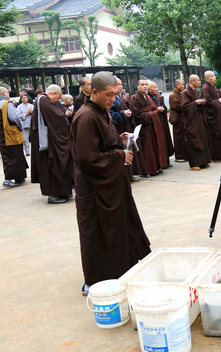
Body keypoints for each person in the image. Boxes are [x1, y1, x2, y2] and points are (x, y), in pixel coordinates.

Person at [71, 71, 151, 295]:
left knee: (117, 229)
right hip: (95, 188)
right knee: (97, 232)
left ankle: (119, 270)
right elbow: (88, 158)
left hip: (109, 184)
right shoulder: (87, 116)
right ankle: (95, 280)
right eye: (109, 95)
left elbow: (101, 144)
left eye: (116, 95)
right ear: (94, 92)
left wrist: (119, 140)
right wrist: (119, 156)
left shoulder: (99, 111)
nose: (113, 100)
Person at [33, 85, 74, 203]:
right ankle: (53, 194)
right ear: (53, 94)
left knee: (63, 164)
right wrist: (65, 115)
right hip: (49, 140)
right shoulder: (44, 100)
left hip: (55, 138)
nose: (60, 98)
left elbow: (60, 110)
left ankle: (63, 191)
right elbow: (57, 116)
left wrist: (65, 113)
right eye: (60, 95)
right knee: (51, 165)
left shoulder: (49, 101)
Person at [129, 79, 168, 177]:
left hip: (152, 125)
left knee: (154, 147)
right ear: (138, 86)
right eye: (142, 85)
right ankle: (147, 170)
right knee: (147, 149)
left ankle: (155, 167)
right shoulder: (134, 98)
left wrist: (150, 112)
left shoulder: (147, 97)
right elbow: (137, 114)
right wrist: (152, 113)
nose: (145, 86)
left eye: (146, 84)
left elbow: (155, 108)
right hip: (144, 127)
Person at [0, 87, 28, 188]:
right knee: (14, 155)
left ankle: (19, 176)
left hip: (2, 134)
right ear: (4, 93)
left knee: (8, 156)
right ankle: (9, 179)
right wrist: (20, 126)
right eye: (7, 92)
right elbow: (14, 118)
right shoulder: (6, 103)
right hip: (10, 134)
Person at [110, 78, 141, 181]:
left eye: (121, 84)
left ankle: (130, 174)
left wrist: (128, 113)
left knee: (128, 150)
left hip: (125, 126)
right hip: (118, 129)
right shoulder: (111, 99)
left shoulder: (119, 98)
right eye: (118, 84)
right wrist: (122, 114)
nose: (120, 87)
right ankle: (124, 175)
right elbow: (110, 116)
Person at [201, 71, 221, 162]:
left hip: (220, 114)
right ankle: (216, 156)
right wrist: (218, 101)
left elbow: (218, 99)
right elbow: (207, 102)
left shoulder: (214, 87)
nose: (215, 77)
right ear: (207, 79)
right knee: (216, 135)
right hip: (213, 116)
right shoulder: (205, 88)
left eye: (214, 76)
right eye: (212, 76)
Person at [181, 74, 211, 170]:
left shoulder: (194, 91)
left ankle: (203, 161)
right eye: (198, 80)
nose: (199, 82)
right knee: (194, 139)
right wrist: (195, 103)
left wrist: (201, 102)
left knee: (202, 138)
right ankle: (194, 163)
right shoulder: (185, 92)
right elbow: (184, 107)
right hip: (192, 120)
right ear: (192, 81)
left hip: (199, 118)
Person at [148, 80, 174, 166]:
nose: (156, 89)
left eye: (156, 87)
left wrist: (162, 108)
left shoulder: (157, 96)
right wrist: (157, 110)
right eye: (154, 87)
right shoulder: (148, 98)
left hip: (162, 120)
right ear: (149, 89)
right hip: (155, 121)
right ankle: (160, 162)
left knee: (164, 140)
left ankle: (166, 160)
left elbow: (164, 106)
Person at [169, 79, 188, 163]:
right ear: (177, 85)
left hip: (182, 118)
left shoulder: (180, 94)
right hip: (177, 118)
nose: (183, 87)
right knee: (178, 137)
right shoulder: (172, 95)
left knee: (183, 136)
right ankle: (179, 156)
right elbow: (177, 106)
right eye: (182, 85)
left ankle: (184, 154)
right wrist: (186, 107)